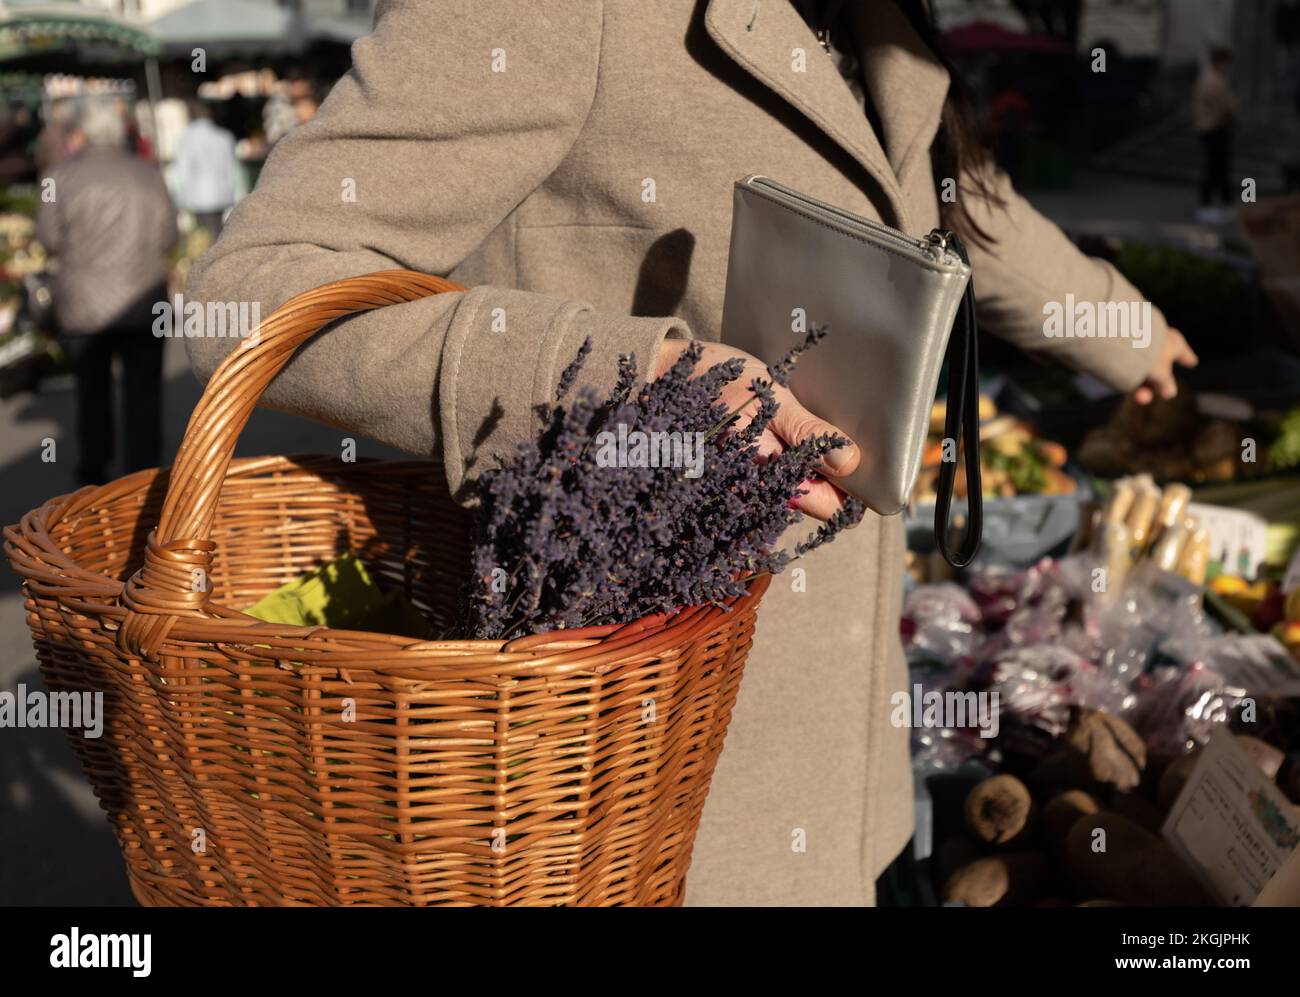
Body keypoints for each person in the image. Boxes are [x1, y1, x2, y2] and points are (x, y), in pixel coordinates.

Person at [187, 0, 1196, 906]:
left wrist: (1123, 327)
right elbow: (249, 290)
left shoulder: (876, 16)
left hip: (851, 771)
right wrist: (642, 383)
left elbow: (956, 203)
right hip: (638, 796)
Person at [37, 101, 178, 486]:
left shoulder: (58, 176)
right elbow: (170, 235)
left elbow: (48, 238)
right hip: (144, 299)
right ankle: (143, 477)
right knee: (144, 395)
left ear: (81, 133)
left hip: (83, 305)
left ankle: (95, 473)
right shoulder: (149, 174)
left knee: (92, 391)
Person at [173, 100, 239, 242]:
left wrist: (180, 199)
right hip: (222, 194)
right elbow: (232, 169)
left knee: (203, 239)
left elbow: (183, 171)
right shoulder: (224, 137)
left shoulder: (186, 138)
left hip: (198, 197)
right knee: (218, 234)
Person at [1194, 46, 1238, 223]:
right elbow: (1226, 105)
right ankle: (1207, 205)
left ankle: (1225, 203)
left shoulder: (1213, 78)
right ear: (1221, 62)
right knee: (1214, 168)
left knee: (1220, 168)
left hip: (1213, 127)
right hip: (1213, 128)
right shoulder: (1213, 80)